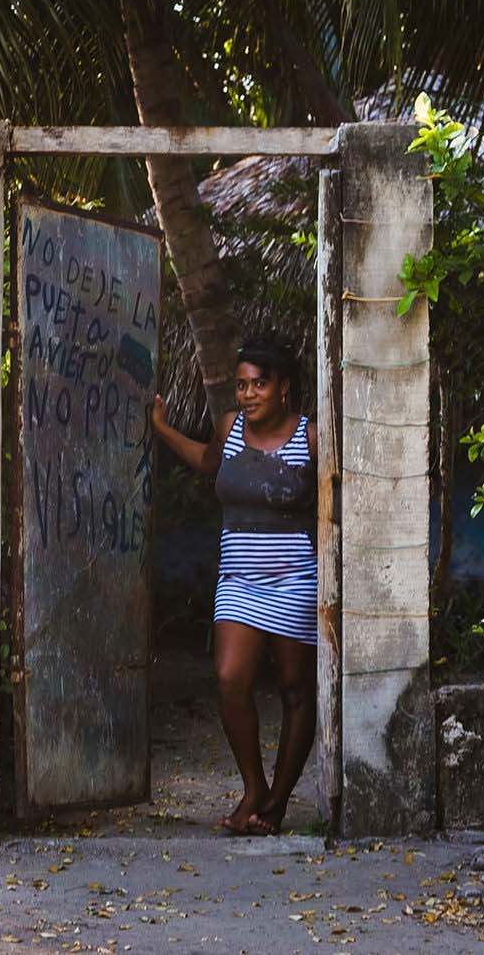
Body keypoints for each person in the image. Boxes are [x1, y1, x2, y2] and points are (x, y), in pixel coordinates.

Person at [149, 336, 317, 835]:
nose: (248, 394)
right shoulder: (231, 427)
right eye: (242, 385)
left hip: (295, 580)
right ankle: (254, 786)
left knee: (294, 690)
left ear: (283, 388)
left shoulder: (310, 437)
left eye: (259, 384)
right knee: (229, 678)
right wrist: (161, 429)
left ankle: (277, 802)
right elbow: (209, 462)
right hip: (238, 582)